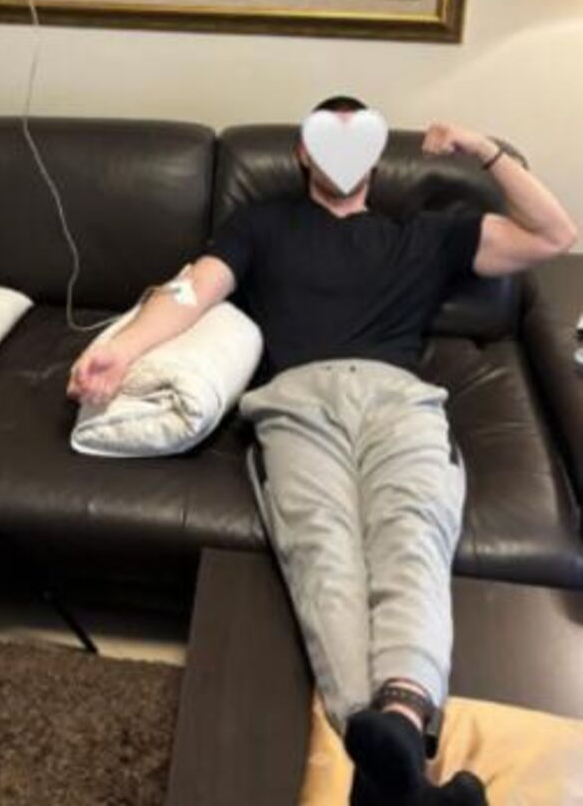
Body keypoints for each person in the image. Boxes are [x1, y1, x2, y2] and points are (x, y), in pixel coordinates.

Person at [68, 96, 578, 806]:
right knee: (323, 554)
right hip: (297, 402)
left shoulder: (426, 234)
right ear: (304, 153)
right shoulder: (261, 224)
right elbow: (192, 291)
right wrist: (120, 350)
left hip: (401, 403)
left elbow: (555, 234)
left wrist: (483, 148)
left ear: (377, 157)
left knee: (411, 540)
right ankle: (397, 763)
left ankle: (393, 744)